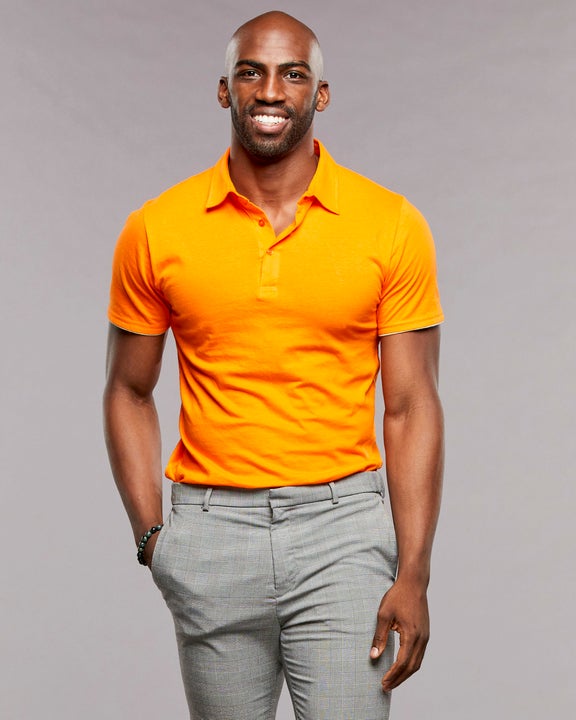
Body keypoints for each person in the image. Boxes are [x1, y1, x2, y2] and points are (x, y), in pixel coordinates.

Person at [103, 10, 444, 720]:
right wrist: (153, 539)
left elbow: (412, 405)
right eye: (250, 72)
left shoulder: (390, 224)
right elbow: (128, 391)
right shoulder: (156, 228)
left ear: (321, 94)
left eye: (293, 74)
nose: (270, 90)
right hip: (212, 531)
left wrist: (413, 571)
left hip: (343, 533)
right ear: (223, 90)